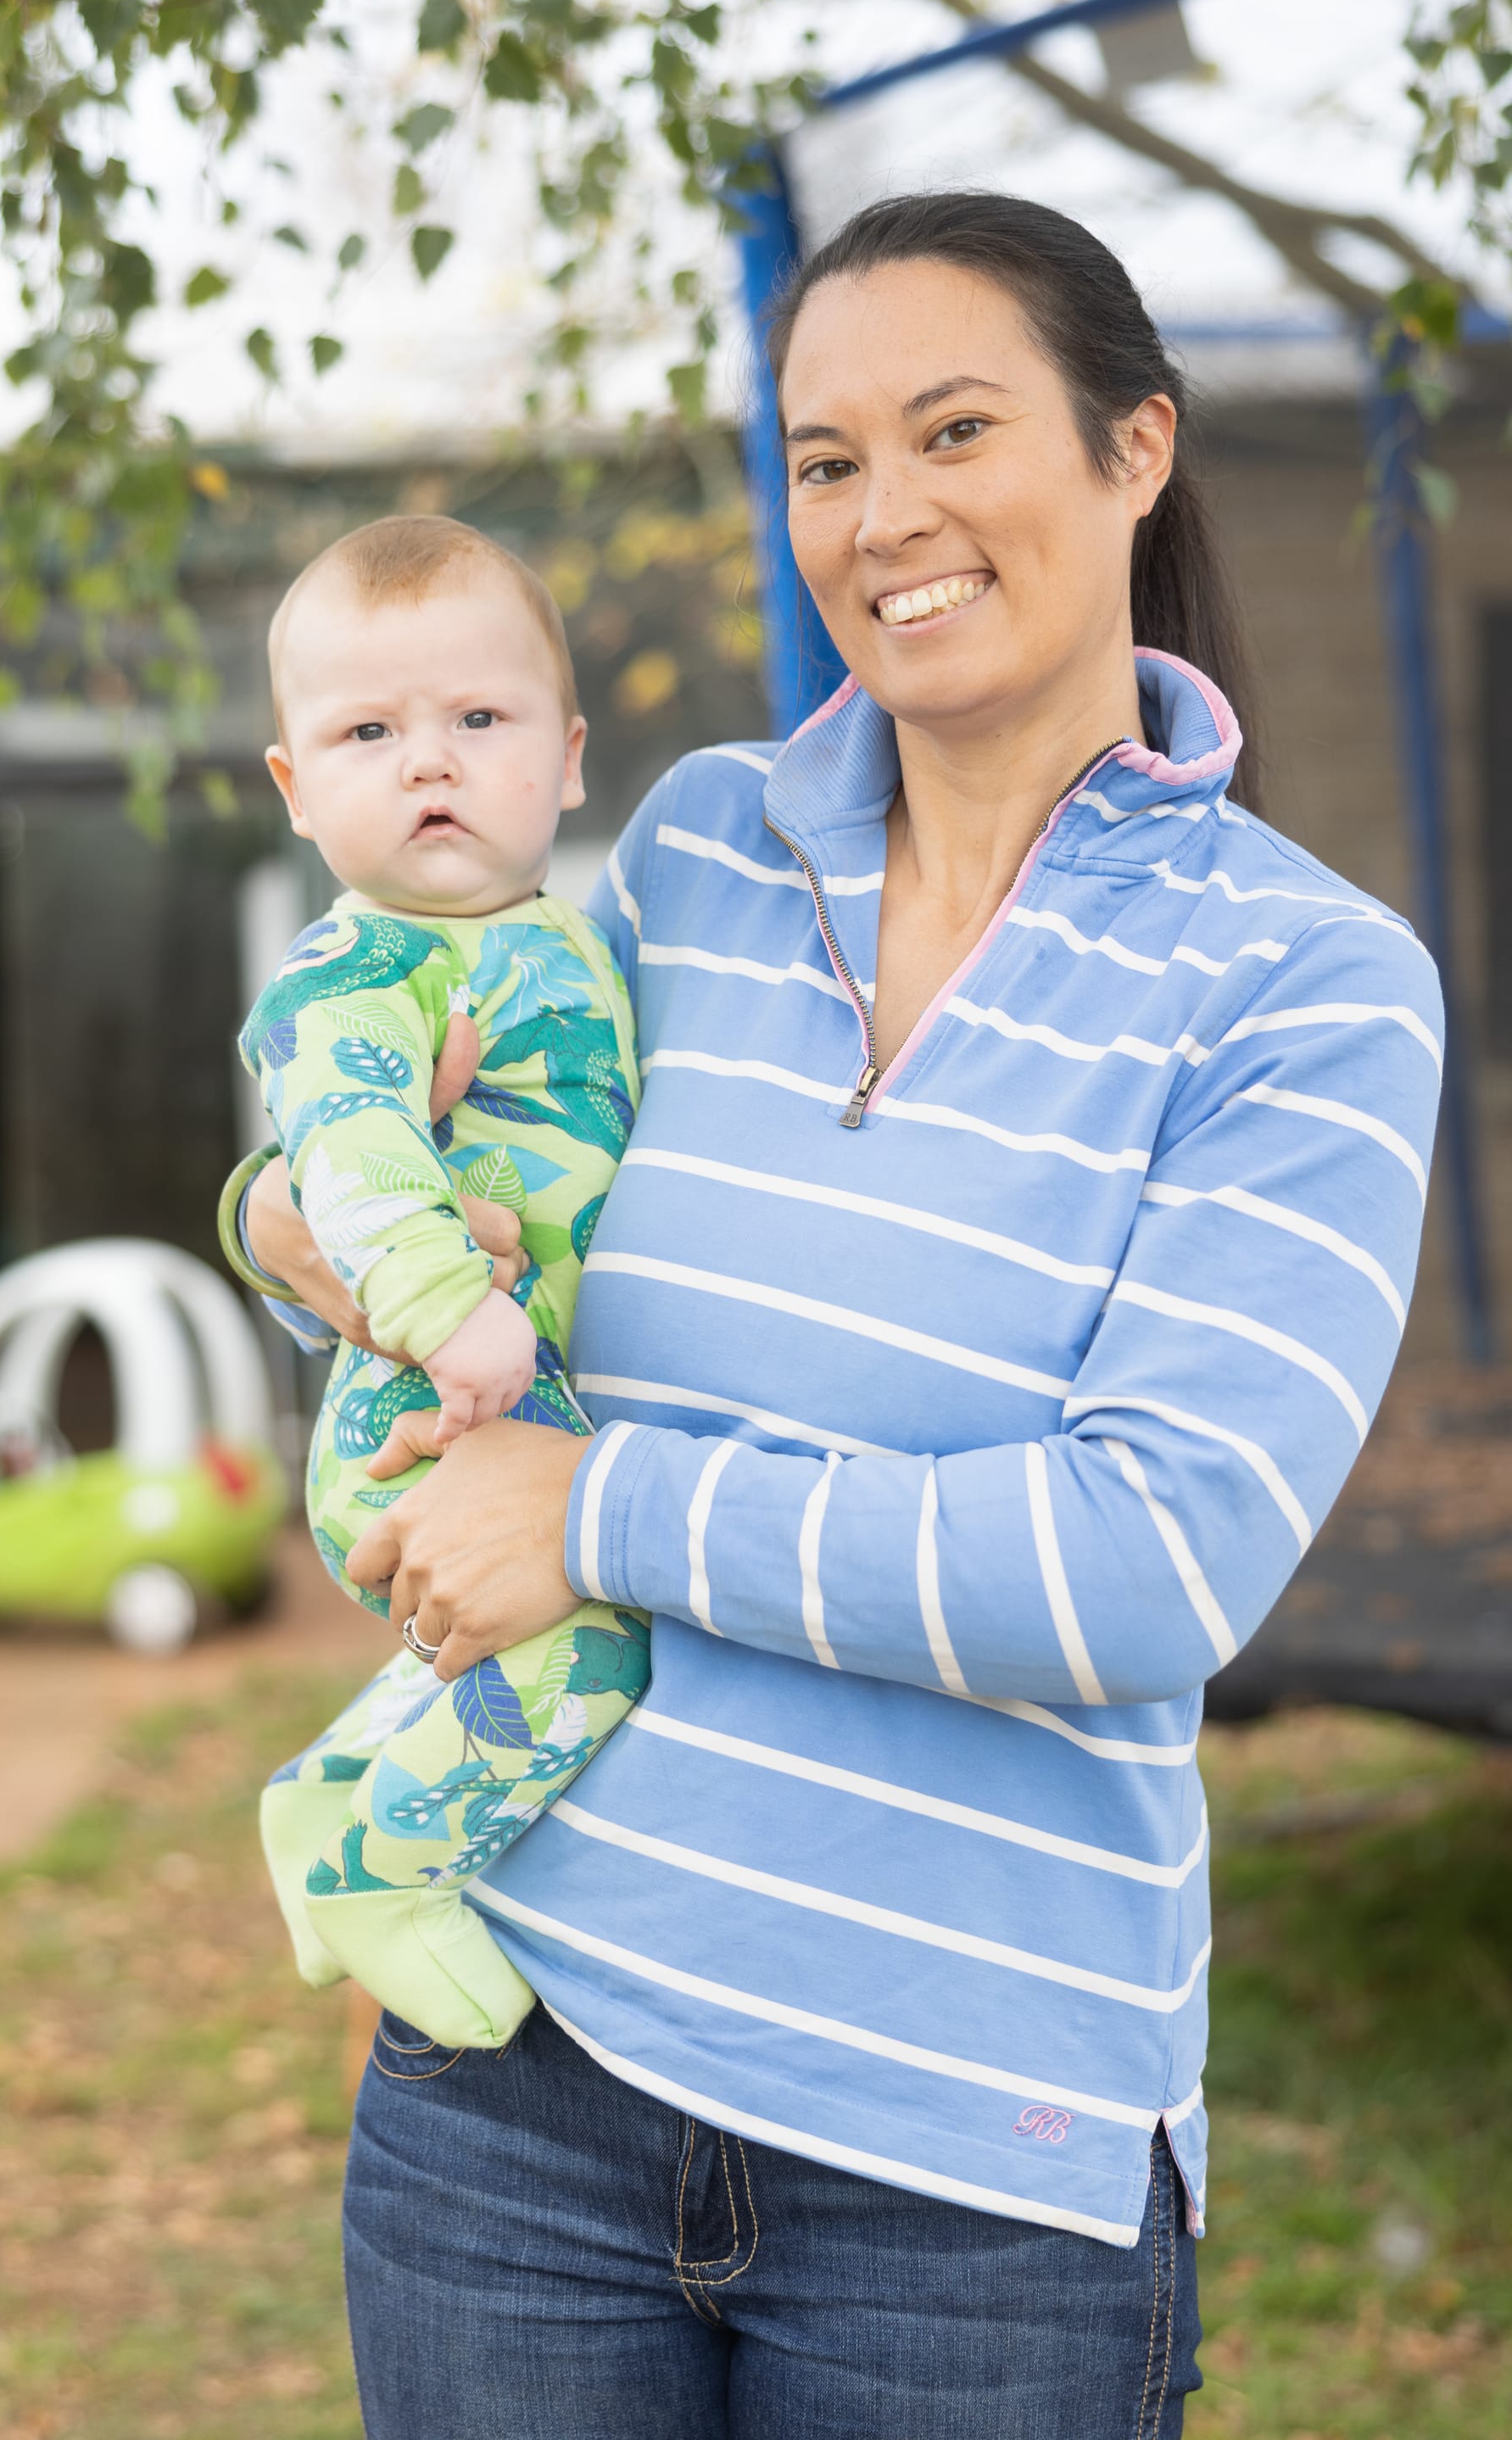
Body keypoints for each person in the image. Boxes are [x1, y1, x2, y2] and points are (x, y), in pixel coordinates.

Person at [238, 193, 1442, 2438]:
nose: (881, 517)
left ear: (1136, 448)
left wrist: (597, 1516)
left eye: (955, 428)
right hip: (524, 2076)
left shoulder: (1310, 984)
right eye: (819, 459)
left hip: (967, 2180)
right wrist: (290, 1226)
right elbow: (464, 1133)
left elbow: (1144, 1566)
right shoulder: (694, 850)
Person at [232, 513, 645, 2051]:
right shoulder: (363, 969)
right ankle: (390, 1869)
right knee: (598, 1638)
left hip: (498, 1397)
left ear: (571, 755)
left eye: (480, 720)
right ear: (295, 786)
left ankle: (331, 1792)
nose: (431, 764)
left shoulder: (565, 939)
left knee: (521, 1635)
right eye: (367, 732)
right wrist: (447, 1316)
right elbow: (345, 1154)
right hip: (426, 1410)